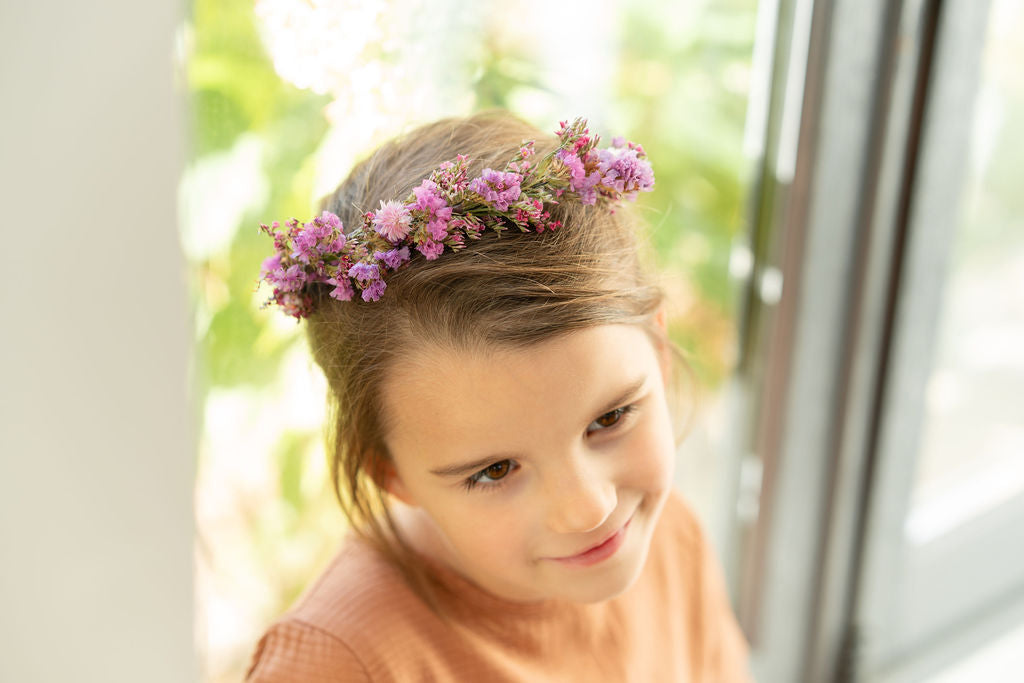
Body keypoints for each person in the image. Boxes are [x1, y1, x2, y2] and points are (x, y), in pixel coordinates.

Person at [245, 111, 752, 682]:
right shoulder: (339, 667)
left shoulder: (666, 536)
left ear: (658, 345)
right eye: (495, 470)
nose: (591, 509)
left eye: (610, 418)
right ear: (391, 473)